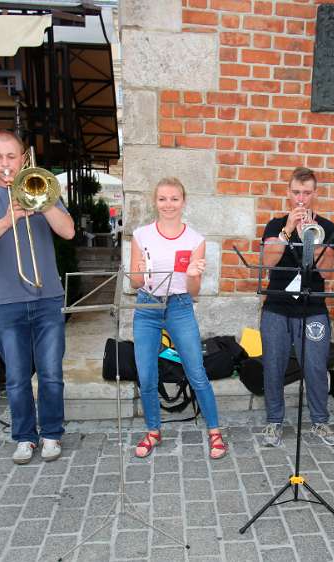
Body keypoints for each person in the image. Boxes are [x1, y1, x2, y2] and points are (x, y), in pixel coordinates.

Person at [0, 131, 75, 465]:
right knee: (16, 379)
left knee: (51, 374)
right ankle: (25, 437)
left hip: (47, 298)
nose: (5, 164)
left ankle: (52, 433)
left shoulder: (42, 188)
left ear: (24, 158)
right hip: (7, 303)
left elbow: (68, 231)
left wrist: (43, 200)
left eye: (11, 156)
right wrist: (8, 219)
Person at [127, 177, 228, 459]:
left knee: (196, 371)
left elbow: (193, 291)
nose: (168, 204)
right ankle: (153, 430)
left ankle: (215, 431)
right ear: (155, 201)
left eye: (174, 198)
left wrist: (193, 275)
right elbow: (135, 283)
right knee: (147, 375)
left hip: (180, 306)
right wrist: (139, 272)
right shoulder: (141, 235)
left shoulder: (195, 240)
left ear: (183, 201)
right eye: (162, 199)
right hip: (147, 306)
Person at [259, 167, 334, 447]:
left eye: (306, 193)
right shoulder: (274, 225)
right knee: (273, 366)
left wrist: (312, 239)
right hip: (276, 307)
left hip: (313, 306)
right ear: (288, 193)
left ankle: (320, 421)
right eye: (296, 193)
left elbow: (327, 271)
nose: (301, 199)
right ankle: (274, 421)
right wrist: (288, 231)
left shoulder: (326, 227)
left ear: (315, 194)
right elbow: (268, 262)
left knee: (316, 366)